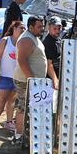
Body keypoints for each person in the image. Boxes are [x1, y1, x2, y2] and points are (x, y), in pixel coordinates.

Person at [14, 15, 58, 145]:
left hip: (35, 82)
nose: (42, 29)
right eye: (39, 26)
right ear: (31, 26)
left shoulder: (34, 38)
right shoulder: (26, 40)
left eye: (43, 26)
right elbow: (22, 61)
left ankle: (30, 136)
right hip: (26, 81)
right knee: (23, 108)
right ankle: (19, 136)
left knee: (34, 109)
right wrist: (31, 79)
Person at [0, 20, 23, 132]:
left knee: (12, 100)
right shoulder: (5, 41)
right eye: (21, 28)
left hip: (16, 77)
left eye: (24, 28)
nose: (23, 30)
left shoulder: (22, 43)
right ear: (14, 28)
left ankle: (9, 122)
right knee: (2, 99)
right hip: (4, 75)